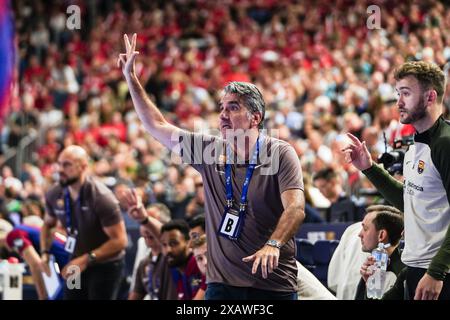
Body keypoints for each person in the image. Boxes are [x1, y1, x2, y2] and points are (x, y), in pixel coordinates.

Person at [118, 33, 305, 299]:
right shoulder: (210, 150)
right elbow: (155, 125)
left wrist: (273, 244)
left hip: (271, 283)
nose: (223, 115)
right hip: (221, 286)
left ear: (255, 118)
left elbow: (296, 208)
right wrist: (131, 79)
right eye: (221, 108)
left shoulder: (279, 153)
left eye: (233, 108)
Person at [343, 61, 450, 300]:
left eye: (406, 93)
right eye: (397, 93)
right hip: (414, 268)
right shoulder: (416, 146)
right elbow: (409, 202)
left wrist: (437, 272)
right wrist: (369, 168)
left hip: (438, 275)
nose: (399, 102)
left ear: (430, 97)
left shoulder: (445, 143)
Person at [41, 145, 128, 300]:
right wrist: (44, 253)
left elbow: (120, 241)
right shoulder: (55, 193)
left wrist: (87, 259)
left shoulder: (101, 197)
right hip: (76, 261)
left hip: (105, 264)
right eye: (59, 164)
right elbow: (48, 224)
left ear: (83, 167)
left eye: (67, 164)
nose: (60, 169)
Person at [4, 223, 69, 300]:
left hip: (71, 266)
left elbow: (35, 264)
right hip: (73, 264)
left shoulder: (12, 236)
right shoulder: (22, 227)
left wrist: (42, 296)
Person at [355, 205, 405, 299]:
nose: (360, 234)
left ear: (381, 235)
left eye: (365, 229)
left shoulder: (396, 275)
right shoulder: (373, 268)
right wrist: (368, 284)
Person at [128, 225, 176, 300]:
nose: (146, 229)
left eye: (149, 224)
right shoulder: (144, 263)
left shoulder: (173, 257)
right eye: (143, 224)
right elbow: (136, 294)